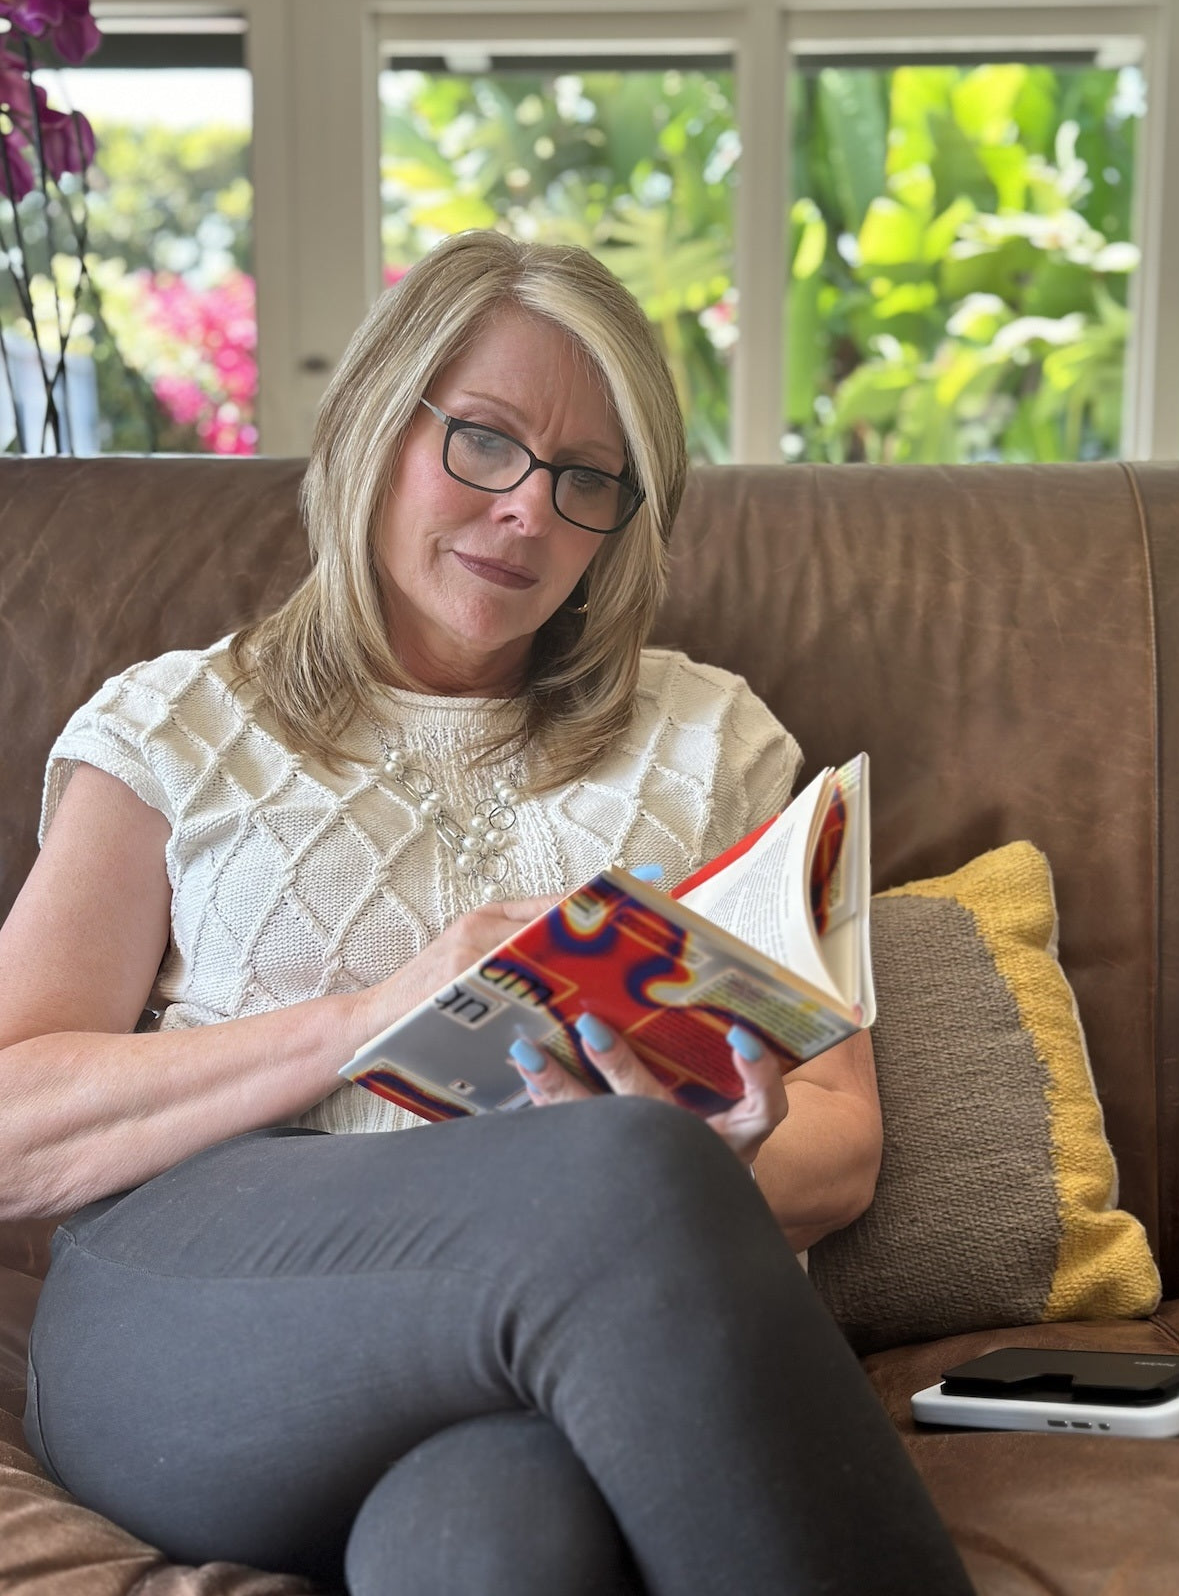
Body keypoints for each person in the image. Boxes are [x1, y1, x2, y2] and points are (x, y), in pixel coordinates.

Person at [0, 231, 972, 1596]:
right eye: (486, 443)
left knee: (500, 1541)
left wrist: (727, 1158)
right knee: (625, 1172)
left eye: (586, 480)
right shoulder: (180, 725)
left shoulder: (712, 742)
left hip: (555, 1350)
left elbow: (845, 1142)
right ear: (378, 428)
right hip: (202, 1320)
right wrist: (368, 1018)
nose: (529, 509)